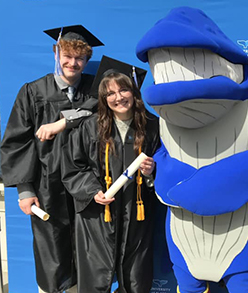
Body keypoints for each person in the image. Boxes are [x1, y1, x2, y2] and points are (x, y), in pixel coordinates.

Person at [0, 25, 103, 293]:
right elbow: (17, 141)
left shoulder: (97, 91)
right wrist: (25, 189)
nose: (73, 63)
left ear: (87, 60)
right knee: (52, 252)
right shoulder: (33, 92)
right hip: (47, 185)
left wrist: (63, 123)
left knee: (88, 249)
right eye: (67, 55)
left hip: (87, 184)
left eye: (80, 58)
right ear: (56, 53)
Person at [61, 57, 160, 293]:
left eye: (124, 89)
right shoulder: (90, 126)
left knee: (136, 279)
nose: (118, 97)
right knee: (95, 278)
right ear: (104, 99)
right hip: (98, 215)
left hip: (137, 214)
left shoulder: (152, 126)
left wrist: (151, 173)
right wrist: (91, 191)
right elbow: (74, 166)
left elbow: (166, 165)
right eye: (110, 93)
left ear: (134, 92)